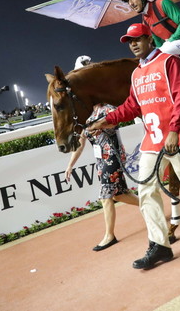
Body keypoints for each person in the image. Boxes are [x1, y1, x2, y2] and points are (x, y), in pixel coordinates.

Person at [87, 23, 180, 269]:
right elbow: (132, 106)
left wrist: (174, 130)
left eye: (137, 39)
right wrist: (104, 121)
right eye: (129, 41)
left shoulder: (170, 62)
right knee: (146, 191)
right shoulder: (137, 73)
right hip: (152, 141)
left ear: (149, 39)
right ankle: (159, 244)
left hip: (176, 136)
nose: (133, 44)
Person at [65, 103, 139, 251]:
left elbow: (115, 122)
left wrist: (98, 125)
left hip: (113, 157)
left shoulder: (108, 109)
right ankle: (150, 205)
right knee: (120, 195)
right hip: (101, 161)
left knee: (105, 197)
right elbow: (80, 144)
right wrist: (70, 165)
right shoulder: (86, 116)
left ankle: (109, 236)